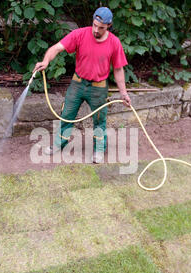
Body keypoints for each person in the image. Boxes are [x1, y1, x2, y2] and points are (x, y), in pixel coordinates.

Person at [33, 7, 131, 163]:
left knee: (100, 120)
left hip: (99, 88)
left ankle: (99, 150)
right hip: (77, 84)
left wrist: (123, 93)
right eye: (95, 25)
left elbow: (118, 69)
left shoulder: (114, 42)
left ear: (109, 26)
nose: (96, 30)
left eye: (101, 28)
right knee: (66, 115)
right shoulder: (80, 34)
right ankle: (59, 144)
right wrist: (45, 61)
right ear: (92, 21)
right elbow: (57, 47)